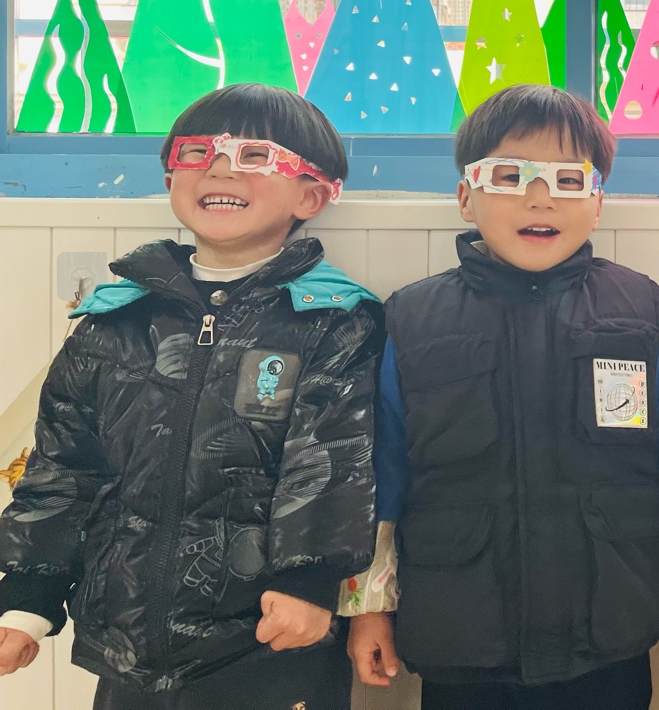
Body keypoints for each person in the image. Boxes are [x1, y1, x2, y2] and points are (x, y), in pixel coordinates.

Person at [0, 83, 385, 710]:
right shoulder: (114, 320)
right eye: (198, 152)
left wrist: (309, 583)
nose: (221, 168)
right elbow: (64, 466)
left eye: (255, 156)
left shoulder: (331, 321)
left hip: (271, 641)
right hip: (126, 648)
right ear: (171, 177)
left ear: (312, 195)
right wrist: (28, 600)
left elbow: (333, 462)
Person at [345, 83, 659, 710]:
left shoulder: (636, 308)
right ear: (465, 198)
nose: (539, 197)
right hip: (464, 631)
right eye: (510, 176)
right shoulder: (413, 318)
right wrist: (368, 604)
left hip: (610, 622)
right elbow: (384, 470)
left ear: (597, 204)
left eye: (568, 180)